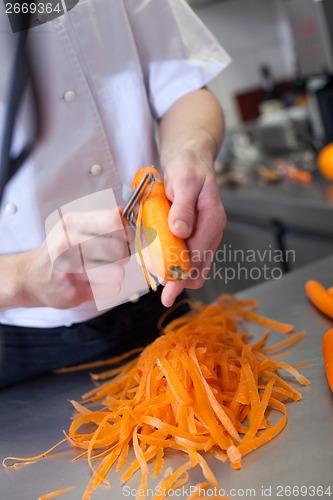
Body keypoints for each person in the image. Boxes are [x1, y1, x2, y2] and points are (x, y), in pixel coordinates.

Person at [0, 0, 230, 388]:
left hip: (158, 297)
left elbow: (184, 86)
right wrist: (21, 279)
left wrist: (190, 151)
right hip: (22, 342)